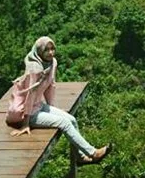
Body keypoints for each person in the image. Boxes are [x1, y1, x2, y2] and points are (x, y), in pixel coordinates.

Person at [6, 36, 110, 164]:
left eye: (52, 49)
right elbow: (30, 96)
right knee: (64, 123)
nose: (50, 53)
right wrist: (26, 123)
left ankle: (80, 157)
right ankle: (93, 153)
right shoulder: (35, 69)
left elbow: (51, 85)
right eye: (46, 50)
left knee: (71, 119)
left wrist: (51, 108)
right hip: (28, 112)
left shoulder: (52, 62)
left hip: (39, 105)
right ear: (39, 52)